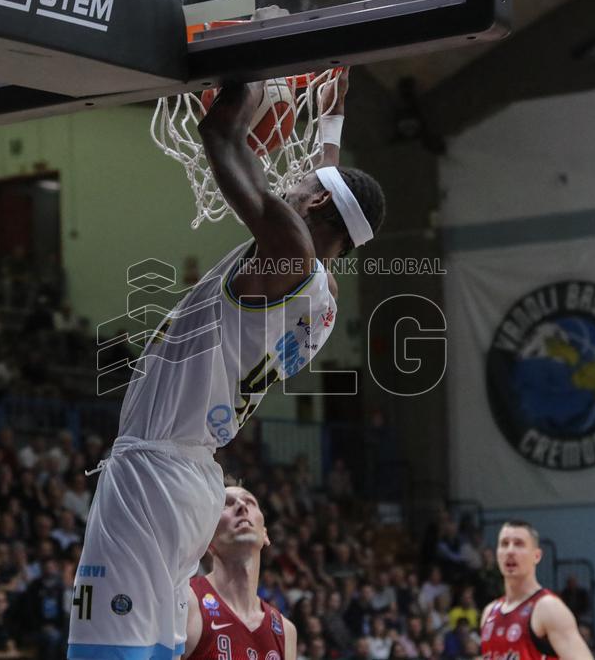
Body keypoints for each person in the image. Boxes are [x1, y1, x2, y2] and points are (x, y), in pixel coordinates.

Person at [67, 69, 385, 660]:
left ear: (315, 202)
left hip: (154, 472)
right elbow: (323, 192)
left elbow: (218, 134)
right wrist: (330, 119)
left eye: (304, 183)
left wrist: (256, 77)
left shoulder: (288, 249)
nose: (291, 182)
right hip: (193, 481)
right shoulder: (326, 295)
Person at [183, 485, 296, 660]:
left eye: (250, 502)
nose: (241, 506)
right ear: (208, 536)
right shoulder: (185, 602)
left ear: (265, 534)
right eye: (226, 504)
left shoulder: (286, 631)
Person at [479, 520, 593, 660]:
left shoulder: (548, 608)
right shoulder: (489, 612)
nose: (510, 551)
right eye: (504, 544)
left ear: (537, 556)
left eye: (519, 544)